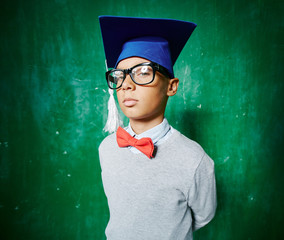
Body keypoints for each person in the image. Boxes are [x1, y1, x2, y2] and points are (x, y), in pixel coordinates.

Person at [98, 15, 217, 240]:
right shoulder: (107, 148)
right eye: (120, 76)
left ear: (171, 86)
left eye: (143, 72)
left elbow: (204, 215)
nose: (127, 85)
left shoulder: (193, 159)